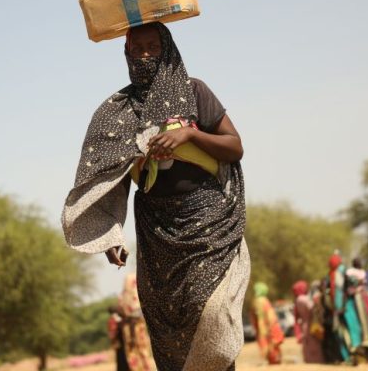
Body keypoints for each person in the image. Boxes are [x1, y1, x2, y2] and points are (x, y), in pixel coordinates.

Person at [62, 22, 250, 371]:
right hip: (156, 228)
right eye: (139, 48)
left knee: (207, 307)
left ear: (168, 49)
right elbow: (105, 179)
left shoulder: (195, 92)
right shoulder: (117, 111)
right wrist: (110, 237)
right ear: (127, 53)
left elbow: (234, 147)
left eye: (153, 46)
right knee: (168, 320)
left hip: (207, 218)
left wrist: (190, 136)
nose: (146, 54)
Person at [107, 273, 153, 371]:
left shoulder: (131, 298)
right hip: (134, 330)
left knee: (137, 354)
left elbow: (131, 316)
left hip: (133, 330)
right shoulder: (138, 296)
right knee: (139, 354)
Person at [251, 282, 284, 364]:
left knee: (269, 348)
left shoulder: (255, 302)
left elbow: (255, 317)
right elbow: (270, 317)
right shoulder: (264, 301)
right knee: (273, 350)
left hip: (262, 329)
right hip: (269, 329)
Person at [292, 280, 323, 363]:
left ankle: (309, 360)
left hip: (304, 324)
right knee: (314, 344)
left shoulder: (297, 300)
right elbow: (312, 308)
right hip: (311, 322)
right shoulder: (303, 299)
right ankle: (316, 360)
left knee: (307, 344)